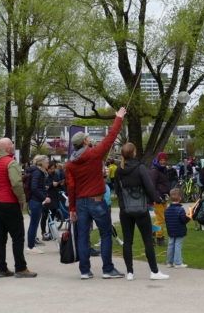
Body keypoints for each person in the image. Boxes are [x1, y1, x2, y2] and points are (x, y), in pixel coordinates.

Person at [65, 108, 126, 280]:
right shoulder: (94, 154)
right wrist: (118, 118)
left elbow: (71, 187)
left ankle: (85, 271)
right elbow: (111, 137)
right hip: (97, 201)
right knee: (105, 234)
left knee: (83, 236)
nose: (89, 140)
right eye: (87, 139)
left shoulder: (70, 164)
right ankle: (107, 269)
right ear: (85, 142)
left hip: (80, 202)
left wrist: (72, 209)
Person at [114, 142, 168, 281]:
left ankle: (130, 272)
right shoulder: (140, 168)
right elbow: (149, 187)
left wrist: (122, 205)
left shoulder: (119, 170)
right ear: (133, 152)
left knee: (128, 241)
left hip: (125, 209)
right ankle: (154, 271)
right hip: (141, 208)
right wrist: (155, 199)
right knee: (147, 240)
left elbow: (117, 190)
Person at [0, 138, 36, 278]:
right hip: (9, 203)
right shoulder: (10, 162)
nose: (13, 146)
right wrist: (22, 199)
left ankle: (1, 268)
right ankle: (20, 268)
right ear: (7, 148)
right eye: (11, 144)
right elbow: (16, 183)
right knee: (18, 236)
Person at [26, 154, 50, 254]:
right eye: (47, 162)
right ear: (42, 163)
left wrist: (43, 188)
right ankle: (31, 247)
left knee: (33, 224)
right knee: (34, 224)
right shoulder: (38, 172)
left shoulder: (38, 171)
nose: (48, 163)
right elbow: (34, 187)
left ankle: (31, 245)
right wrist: (44, 197)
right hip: (35, 201)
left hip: (35, 200)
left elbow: (37, 186)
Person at [164, 188, 190, 268]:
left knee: (171, 245)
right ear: (180, 198)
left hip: (171, 230)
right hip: (179, 230)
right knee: (178, 245)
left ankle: (169, 262)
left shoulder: (167, 210)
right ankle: (178, 262)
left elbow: (166, 220)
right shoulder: (180, 210)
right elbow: (184, 220)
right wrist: (189, 216)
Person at [149, 151, 171, 247]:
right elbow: (152, 186)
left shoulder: (163, 170)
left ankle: (151, 234)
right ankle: (159, 238)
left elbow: (164, 184)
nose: (163, 162)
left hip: (163, 197)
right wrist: (157, 197)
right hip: (157, 198)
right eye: (161, 160)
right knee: (161, 218)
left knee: (164, 218)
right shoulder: (155, 171)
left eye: (164, 160)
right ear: (158, 160)